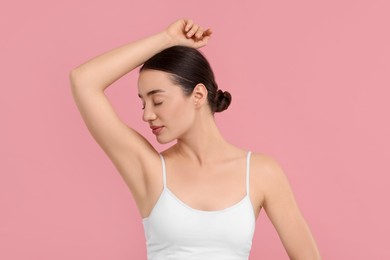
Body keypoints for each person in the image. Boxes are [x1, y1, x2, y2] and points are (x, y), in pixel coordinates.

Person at [69, 19, 321, 260]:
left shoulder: (261, 172)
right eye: (143, 103)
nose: (147, 114)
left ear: (198, 95)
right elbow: (83, 81)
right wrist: (166, 38)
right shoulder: (150, 169)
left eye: (157, 100)